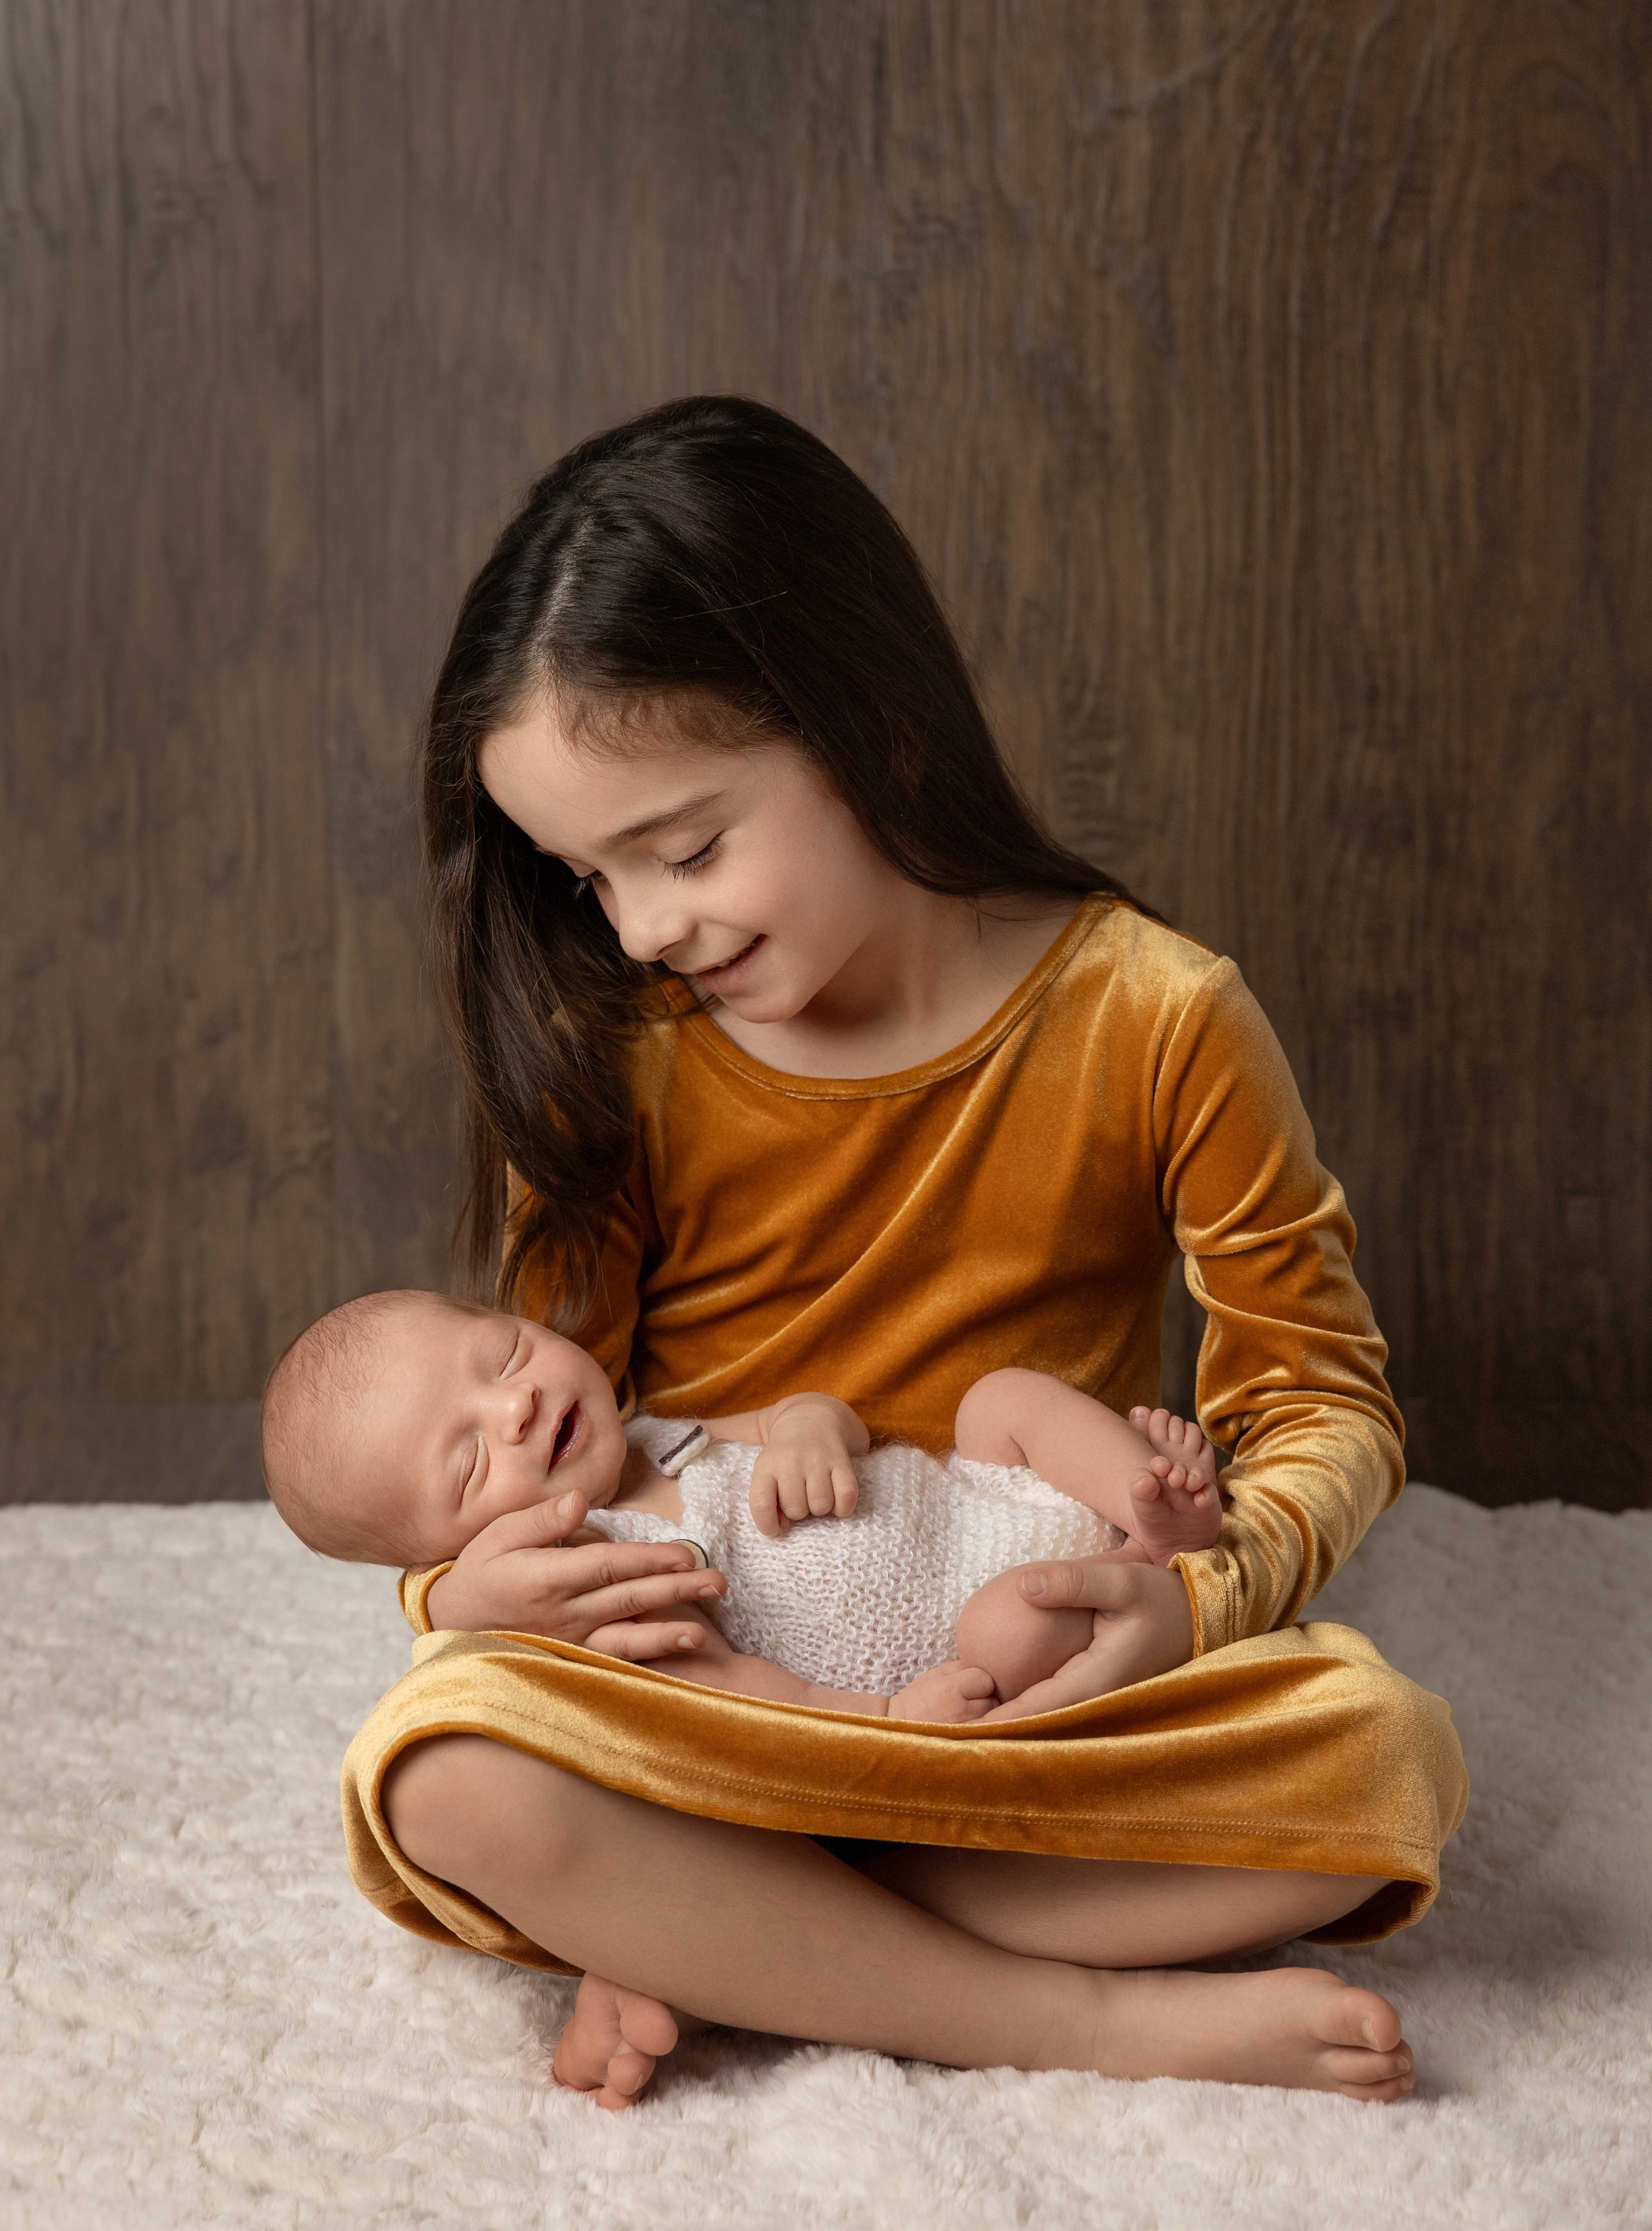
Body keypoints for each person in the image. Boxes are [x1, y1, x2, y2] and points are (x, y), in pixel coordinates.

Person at [336, 395, 1467, 2113]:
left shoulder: (1157, 1015)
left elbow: (1323, 1398)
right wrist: (460, 1593)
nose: (642, 927)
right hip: (719, 1696)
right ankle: (1076, 2015)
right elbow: (533, 1429)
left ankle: (730, 1929)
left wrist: (1193, 1603)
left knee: (1388, 1762)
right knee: (437, 1778)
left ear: (875, 730)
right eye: (589, 878)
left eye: (690, 846)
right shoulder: (617, 1054)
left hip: (1015, 1690)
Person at [261, 1285, 1225, 1721]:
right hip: (963, 1628)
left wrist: (809, 1431)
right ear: (455, 1553)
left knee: (1000, 1399)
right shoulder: (603, 1575)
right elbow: (736, 1692)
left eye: (505, 1353)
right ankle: (1135, 1576)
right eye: (470, 1461)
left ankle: (1151, 1509)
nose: (514, 1405)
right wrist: (888, 1716)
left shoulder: (657, 1434)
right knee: (1012, 1624)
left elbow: (814, 1414)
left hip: (979, 1496)